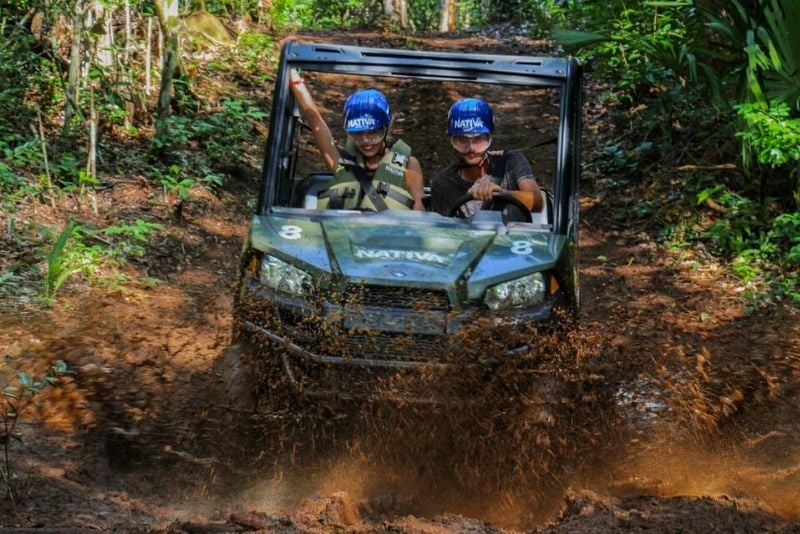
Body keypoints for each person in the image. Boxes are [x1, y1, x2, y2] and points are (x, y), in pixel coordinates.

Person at [288, 68, 424, 211]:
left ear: (386, 128)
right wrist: (293, 76)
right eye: (358, 135)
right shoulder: (340, 162)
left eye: (373, 133)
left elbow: (419, 212)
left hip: (389, 232)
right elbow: (314, 120)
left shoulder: (409, 164)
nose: (366, 141)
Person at [431, 97, 544, 218]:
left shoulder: (510, 160)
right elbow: (444, 229)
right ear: (453, 142)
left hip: (515, 236)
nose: (471, 149)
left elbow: (537, 202)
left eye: (479, 139)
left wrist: (502, 194)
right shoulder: (443, 183)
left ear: (489, 139)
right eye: (462, 140)